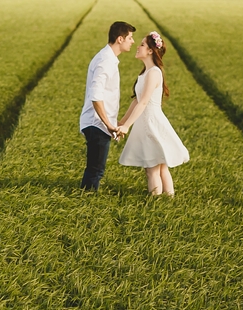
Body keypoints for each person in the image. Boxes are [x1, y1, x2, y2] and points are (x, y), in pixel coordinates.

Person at [116, 31, 190, 195]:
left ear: (150, 50)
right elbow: (136, 100)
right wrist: (122, 122)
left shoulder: (154, 73)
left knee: (152, 170)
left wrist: (127, 126)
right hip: (146, 122)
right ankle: (168, 201)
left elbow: (144, 102)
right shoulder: (145, 73)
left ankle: (157, 203)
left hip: (151, 123)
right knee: (160, 167)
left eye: (142, 44)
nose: (138, 46)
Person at [79, 21, 136, 191]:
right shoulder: (105, 61)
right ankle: (86, 200)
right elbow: (96, 96)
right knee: (96, 170)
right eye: (130, 38)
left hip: (99, 123)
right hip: (97, 124)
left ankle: (86, 197)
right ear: (120, 39)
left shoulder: (108, 58)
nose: (132, 41)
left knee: (96, 169)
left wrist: (112, 121)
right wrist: (108, 124)